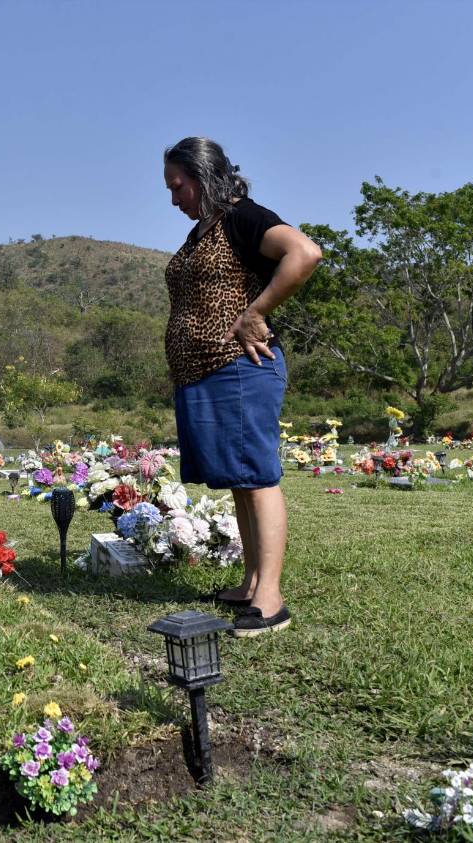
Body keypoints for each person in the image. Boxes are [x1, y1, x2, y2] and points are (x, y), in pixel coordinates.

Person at [161, 137, 321, 637]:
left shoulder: (243, 216)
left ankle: (270, 600)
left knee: (256, 475)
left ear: (203, 176)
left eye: (178, 185)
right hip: (205, 371)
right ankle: (252, 581)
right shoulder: (201, 232)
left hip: (239, 367)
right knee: (238, 477)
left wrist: (255, 311)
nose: (173, 198)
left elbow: (305, 253)